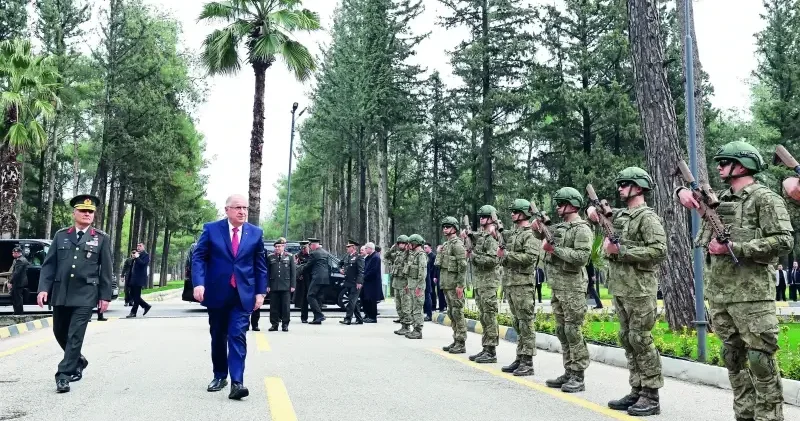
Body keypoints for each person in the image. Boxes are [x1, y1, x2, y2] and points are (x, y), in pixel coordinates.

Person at [677, 141, 791, 421]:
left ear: (742, 166)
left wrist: (736, 248)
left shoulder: (764, 198)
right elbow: (686, 196)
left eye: (724, 162)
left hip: (752, 296)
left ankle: (769, 417)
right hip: (721, 295)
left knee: (760, 360)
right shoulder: (719, 199)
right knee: (733, 359)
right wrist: (681, 192)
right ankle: (744, 414)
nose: (719, 167)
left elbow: (784, 241)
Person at [588, 166, 666, 416]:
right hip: (621, 288)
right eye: (619, 184)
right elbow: (608, 234)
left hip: (640, 289)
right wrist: (595, 218)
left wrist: (622, 251)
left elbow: (658, 251)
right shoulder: (622, 216)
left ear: (639, 187)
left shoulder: (647, 218)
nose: (620, 188)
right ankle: (637, 388)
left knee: (641, 340)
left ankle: (651, 394)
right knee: (627, 339)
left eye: (625, 184)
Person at [191, 194, 268, 400]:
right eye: (238, 207)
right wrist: (198, 283)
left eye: (245, 208)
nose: (242, 211)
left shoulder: (255, 233)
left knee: (237, 335)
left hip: (243, 295)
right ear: (227, 210)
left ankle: (237, 382)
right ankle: (219, 375)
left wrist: (260, 292)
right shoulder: (211, 229)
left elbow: (260, 265)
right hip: (217, 292)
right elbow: (199, 257)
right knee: (218, 335)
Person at [37, 194, 113, 393]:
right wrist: (43, 289)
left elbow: (106, 269)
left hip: (86, 294)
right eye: (83, 211)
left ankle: (63, 375)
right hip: (61, 292)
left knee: (75, 335)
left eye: (90, 211)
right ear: (74, 213)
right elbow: (49, 265)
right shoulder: (61, 235)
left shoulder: (101, 238)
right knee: (59, 332)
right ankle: (78, 360)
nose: (87, 214)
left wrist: (105, 296)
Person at [535, 187, 593, 393]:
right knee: (562, 331)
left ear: (572, 205)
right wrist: (537, 228)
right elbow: (543, 235)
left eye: (561, 204)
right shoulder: (561, 227)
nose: (558, 207)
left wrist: (555, 250)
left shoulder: (582, 229)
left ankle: (578, 375)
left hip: (573, 287)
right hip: (558, 286)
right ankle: (568, 370)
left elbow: (581, 257)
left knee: (573, 331)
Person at [498, 200, 540, 376]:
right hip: (511, 283)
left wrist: (507, 255)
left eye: (515, 211)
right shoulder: (515, 233)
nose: (512, 214)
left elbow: (530, 258)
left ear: (523, 213)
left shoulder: (530, 234)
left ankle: (528, 361)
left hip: (523, 284)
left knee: (526, 323)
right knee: (517, 323)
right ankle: (520, 356)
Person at [466, 205, 501, 364]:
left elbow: (492, 260)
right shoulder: (482, 236)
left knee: (489, 315)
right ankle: (486, 347)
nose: (481, 219)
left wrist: (473, 256)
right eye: (480, 216)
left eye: (484, 216)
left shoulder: (493, 237)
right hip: (480, 282)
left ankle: (491, 350)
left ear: (491, 219)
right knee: (484, 316)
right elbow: (474, 239)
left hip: (489, 282)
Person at [435, 217, 468, 354]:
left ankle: (461, 342)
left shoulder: (457, 244)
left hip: (454, 285)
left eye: (448, 227)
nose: (445, 229)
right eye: (444, 227)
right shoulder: (446, 245)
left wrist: (460, 285)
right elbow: (438, 264)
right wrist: (439, 252)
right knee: (451, 313)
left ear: (454, 228)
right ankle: (456, 339)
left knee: (457, 313)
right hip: (447, 284)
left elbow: (463, 265)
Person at [267, 237, 296, 332]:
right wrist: (267, 285)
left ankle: (285, 324)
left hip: (286, 286)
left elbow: (293, 272)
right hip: (274, 285)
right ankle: (274, 324)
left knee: (285, 307)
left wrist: (293, 285)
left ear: (283, 246)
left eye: (279, 246)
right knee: (273, 307)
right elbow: (267, 272)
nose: (277, 248)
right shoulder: (270, 257)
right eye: (276, 246)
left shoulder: (290, 256)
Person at [404, 234, 428, 338]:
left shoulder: (421, 255)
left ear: (415, 243)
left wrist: (419, 287)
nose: (408, 245)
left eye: (410, 243)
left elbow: (422, 273)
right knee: (413, 308)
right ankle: (414, 329)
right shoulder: (414, 254)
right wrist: (408, 285)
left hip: (418, 287)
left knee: (417, 308)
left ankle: (418, 330)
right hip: (412, 285)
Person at [384, 236, 409, 326]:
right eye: (399, 243)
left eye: (402, 243)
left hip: (404, 282)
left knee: (405, 304)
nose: (400, 245)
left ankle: (406, 323)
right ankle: (402, 319)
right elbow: (386, 256)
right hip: (396, 282)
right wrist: (391, 249)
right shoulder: (397, 254)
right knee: (398, 305)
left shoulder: (409, 254)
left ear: (406, 244)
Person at [305, 238, 330, 324]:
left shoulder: (314, 253)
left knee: (310, 296)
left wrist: (298, 270)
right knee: (318, 297)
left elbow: (308, 265)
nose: (310, 247)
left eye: (310, 245)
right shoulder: (325, 252)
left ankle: (319, 315)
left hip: (317, 277)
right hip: (325, 278)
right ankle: (317, 319)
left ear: (313, 245)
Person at [340, 239, 365, 325]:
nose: (346, 248)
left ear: (353, 247)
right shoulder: (347, 256)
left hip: (355, 283)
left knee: (351, 301)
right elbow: (340, 263)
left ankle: (348, 319)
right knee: (354, 301)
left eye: (348, 247)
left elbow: (361, 271)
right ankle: (359, 319)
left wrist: (359, 282)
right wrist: (340, 269)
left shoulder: (359, 257)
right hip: (348, 282)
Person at [126, 242, 152, 318]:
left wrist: (137, 258)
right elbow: (132, 266)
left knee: (136, 296)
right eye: (137, 246)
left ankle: (133, 312)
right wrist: (133, 258)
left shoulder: (146, 255)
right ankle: (146, 306)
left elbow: (143, 264)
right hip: (133, 278)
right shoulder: (136, 254)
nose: (138, 247)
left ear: (143, 247)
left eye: (140, 246)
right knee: (133, 295)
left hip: (139, 279)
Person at [361, 242, 383, 322]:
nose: (365, 250)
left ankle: (373, 317)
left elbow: (373, 270)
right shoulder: (369, 257)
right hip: (367, 282)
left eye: (366, 248)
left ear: (370, 248)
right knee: (366, 299)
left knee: (372, 300)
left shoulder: (375, 257)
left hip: (373, 282)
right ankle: (367, 315)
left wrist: (364, 277)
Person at [294, 240, 311, 323]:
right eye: (302, 248)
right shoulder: (297, 256)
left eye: (305, 247)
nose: (304, 249)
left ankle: (317, 317)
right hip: (302, 280)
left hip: (311, 279)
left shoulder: (311, 255)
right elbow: (295, 267)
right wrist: (298, 276)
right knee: (303, 299)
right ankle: (304, 317)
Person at [9, 246, 28, 315]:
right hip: (19, 282)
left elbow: (16, 273)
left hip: (18, 282)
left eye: (13, 253)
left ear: (17, 253)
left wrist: (11, 282)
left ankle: (19, 312)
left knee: (17, 298)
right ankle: (17, 312)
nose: (12, 254)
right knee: (16, 297)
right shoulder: (22, 259)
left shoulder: (20, 261)